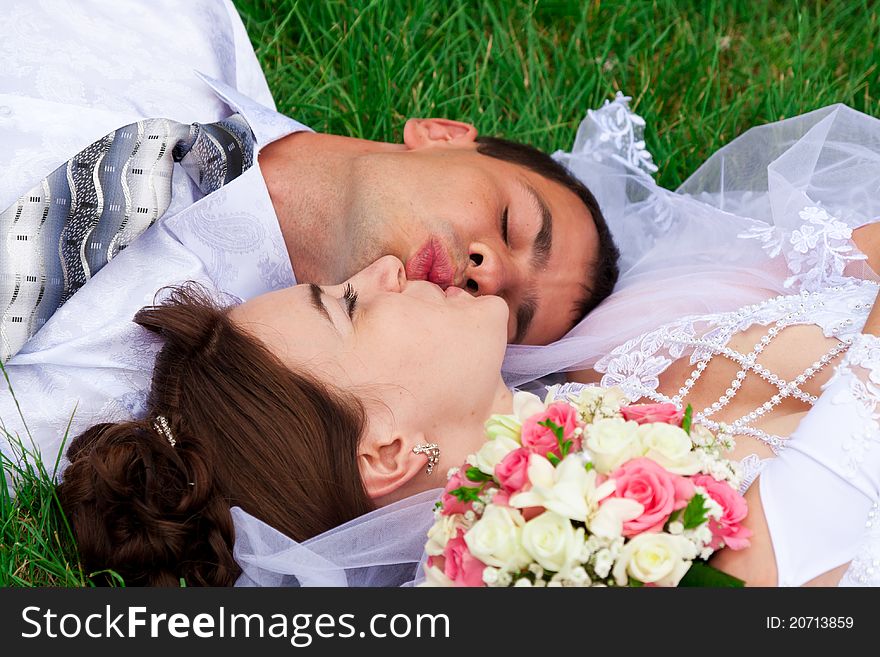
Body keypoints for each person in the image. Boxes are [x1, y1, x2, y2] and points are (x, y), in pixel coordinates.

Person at [0, 0, 618, 471]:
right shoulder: (179, 20)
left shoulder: (133, 402)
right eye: (513, 225)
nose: (492, 274)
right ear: (441, 133)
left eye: (508, 312)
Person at [58, 252, 880, 587]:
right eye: (348, 303)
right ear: (385, 449)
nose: (384, 266)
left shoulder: (606, 364)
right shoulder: (594, 556)